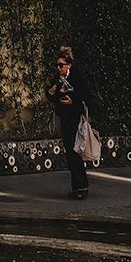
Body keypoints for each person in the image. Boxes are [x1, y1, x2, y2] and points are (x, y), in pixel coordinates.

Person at [46, 46, 94, 200]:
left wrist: (73, 102)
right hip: (65, 119)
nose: (58, 68)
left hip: (76, 119)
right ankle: (76, 187)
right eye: (57, 65)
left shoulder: (77, 78)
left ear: (69, 65)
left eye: (61, 65)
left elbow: (87, 98)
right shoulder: (57, 79)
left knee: (75, 152)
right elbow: (52, 96)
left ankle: (82, 187)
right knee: (69, 153)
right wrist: (50, 93)